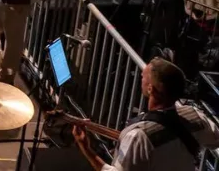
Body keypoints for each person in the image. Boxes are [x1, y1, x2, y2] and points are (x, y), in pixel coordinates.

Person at [73, 57, 219, 171]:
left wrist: (87, 149)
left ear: (150, 89)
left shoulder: (137, 136)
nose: (140, 78)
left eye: (143, 77)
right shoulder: (196, 117)